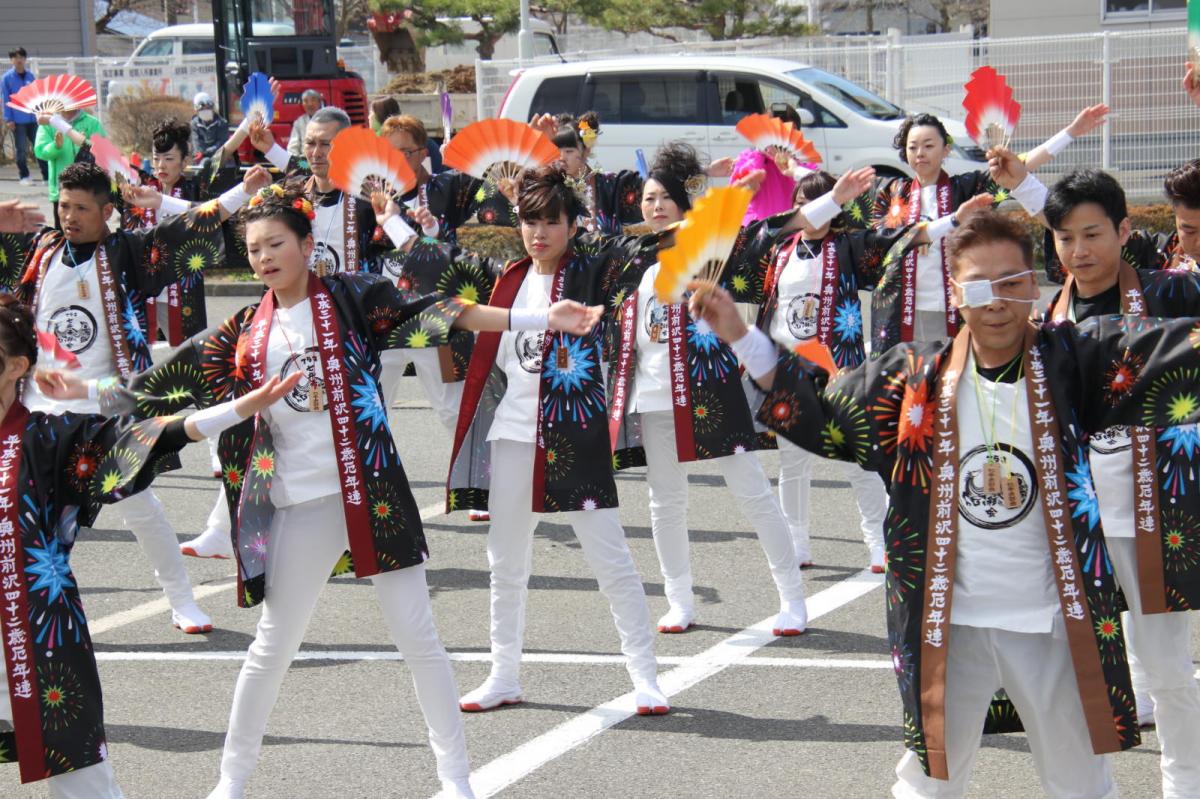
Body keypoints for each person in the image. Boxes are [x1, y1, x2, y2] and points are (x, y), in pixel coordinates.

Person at [90, 180, 600, 799]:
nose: (264, 257)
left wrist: (539, 316)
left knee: (419, 639)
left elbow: (443, 312)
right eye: (253, 249)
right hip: (296, 505)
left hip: (370, 494)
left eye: (276, 244)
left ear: (308, 245)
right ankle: (231, 782)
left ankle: (456, 779)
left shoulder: (355, 298)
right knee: (272, 647)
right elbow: (158, 383)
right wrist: (76, 396)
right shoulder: (245, 331)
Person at [688, 209, 1200, 797]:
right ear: (954, 293)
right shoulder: (913, 378)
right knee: (928, 783)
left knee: (1081, 784)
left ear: (1035, 285)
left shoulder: (1075, 359)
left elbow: (1174, 351)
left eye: (1012, 283)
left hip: (1055, 623)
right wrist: (740, 333)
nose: (996, 302)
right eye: (978, 287)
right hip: (948, 625)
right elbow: (823, 408)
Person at [0, 290, 298, 799]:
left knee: (80, 775)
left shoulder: (48, 439)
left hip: (35, 628)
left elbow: (144, 437)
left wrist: (236, 409)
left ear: (16, 366)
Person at [1000, 158, 1200, 798]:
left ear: (1123, 231)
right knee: (1076, 668)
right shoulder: (1046, 317)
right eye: (1065, 238)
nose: (1079, 251)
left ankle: (1185, 784)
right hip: (1073, 521)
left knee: (1166, 669)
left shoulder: (1173, 294)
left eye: (1092, 234)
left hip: (1155, 514)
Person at [7, 160, 268, 636]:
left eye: (81, 208)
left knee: (141, 509)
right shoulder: (40, 250)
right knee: (38, 521)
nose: (69, 216)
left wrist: (240, 193)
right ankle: (39, 616)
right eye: (64, 206)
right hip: (42, 412)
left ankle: (181, 598)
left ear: (106, 211)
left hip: (107, 410)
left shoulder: (126, 251)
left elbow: (187, 227)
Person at [447, 163, 670, 715]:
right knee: (505, 562)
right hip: (512, 433)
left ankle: (645, 676)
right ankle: (503, 675)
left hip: (575, 436)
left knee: (610, 557)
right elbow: (444, 302)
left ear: (573, 225)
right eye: (530, 221)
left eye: (551, 221)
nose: (539, 232)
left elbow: (649, 248)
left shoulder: (593, 272)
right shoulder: (504, 277)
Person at [727, 169, 991, 571]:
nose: (812, 212)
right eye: (803, 204)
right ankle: (798, 542)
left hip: (838, 368)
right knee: (794, 463)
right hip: (787, 372)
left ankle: (876, 540)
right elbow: (740, 250)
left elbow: (903, 237)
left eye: (821, 203)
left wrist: (953, 220)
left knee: (857, 459)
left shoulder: (849, 246)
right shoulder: (779, 250)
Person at [600, 142, 812, 633]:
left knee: (751, 491)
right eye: (648, 198)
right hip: (652, 395)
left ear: (682, 203)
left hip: (710, 390)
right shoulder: (634, 256)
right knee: (665, 501)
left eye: (664, 198)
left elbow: (766, 233)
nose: (655, 206)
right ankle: (680, 600)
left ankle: (792, 596)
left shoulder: (707, 246)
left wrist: (827, 203)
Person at [868, 104, 1107, 354]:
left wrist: (1071, 132)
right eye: (912, 147)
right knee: (901, 372)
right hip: (901, 311)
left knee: (956, 367)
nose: (920, 153)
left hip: (957, 306)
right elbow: (872, 241)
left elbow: (1020, 166)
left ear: (946, 149)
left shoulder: (967, 188)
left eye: (928, 146)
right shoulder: (888, 194)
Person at [33, 105, 105, 226]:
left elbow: (102, 150)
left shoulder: (91, 122)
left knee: (88, 229)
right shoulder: (47, 123)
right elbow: (40, 151)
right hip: (61, 189)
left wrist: (82, 142)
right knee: (63, 229)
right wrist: (56, 146)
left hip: (88, 187)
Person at [2, 48, 48, 186]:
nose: (19, 60)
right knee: (21, 150)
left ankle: (47, 177)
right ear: (11, 60)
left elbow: (36, 96)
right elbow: (6, 100)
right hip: (18, 120)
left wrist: (40, 114)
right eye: (16, 57)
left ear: (25, 59)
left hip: (33, 118)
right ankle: (24, 176)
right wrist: (9, 119)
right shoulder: (6, 78)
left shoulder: (30, 76)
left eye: (21, 57)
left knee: (39, 146)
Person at [190, 92, 230, 160]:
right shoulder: (194, 124)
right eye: (202, 109)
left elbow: (221, 143)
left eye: (208, 108)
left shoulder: (222, 123)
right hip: (200, 158)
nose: (205, 111)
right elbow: (196, 142)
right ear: (197, 110)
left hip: (219, 157)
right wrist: (200, 153)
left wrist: (205, 152)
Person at [286, 88, 323, 158]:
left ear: (319, 102)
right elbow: (292, 148)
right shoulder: (299, 122)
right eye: (306, 101)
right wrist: (297, 162)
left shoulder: (330, 119)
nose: (310, 104)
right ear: (302, 104)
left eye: (313, 100)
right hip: (305, 160)